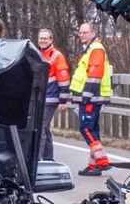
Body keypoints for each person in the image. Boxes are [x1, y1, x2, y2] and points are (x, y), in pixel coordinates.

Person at [69, 20, 113, 175]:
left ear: (93, 33)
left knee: (86, 128)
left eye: (85, 32)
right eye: (80, 32)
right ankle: (94, 165)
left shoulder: (96, 49)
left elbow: (94, 75)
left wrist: (85, 96)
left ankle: (102, 161)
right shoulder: (89, 50)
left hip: (90, 97)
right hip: (91, 96)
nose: (82, 35)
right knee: (92, 128)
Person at [37, 28, 70, 162]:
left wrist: (63, 100)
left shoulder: (57, 56)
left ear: (51, 40)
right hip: (41, 97)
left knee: (41, 128)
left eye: (45, 38)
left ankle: (38, 159)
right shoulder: (38, 53)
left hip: (51, 97)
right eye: (41, 38)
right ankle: (48, 158)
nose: (43, 41)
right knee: (45, 128)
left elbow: (63, 79)